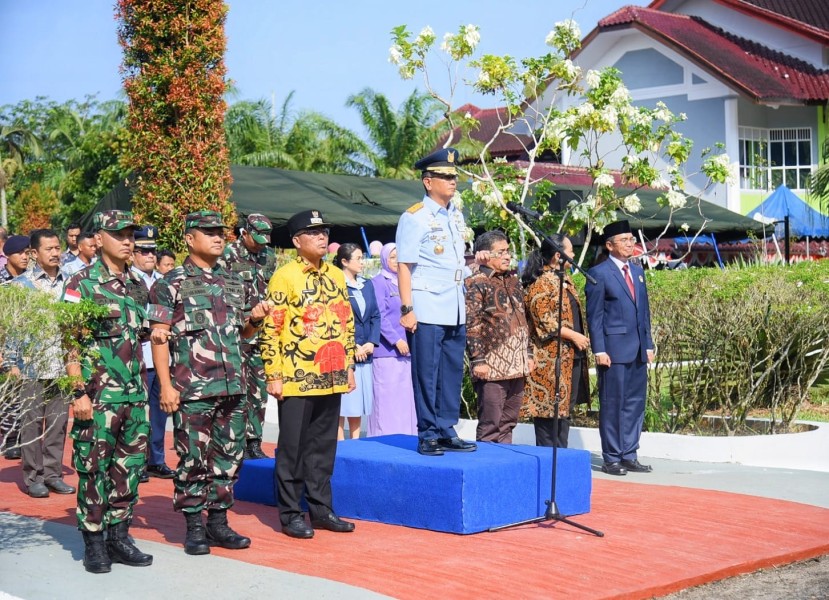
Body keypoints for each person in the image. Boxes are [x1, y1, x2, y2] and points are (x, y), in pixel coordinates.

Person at [148, 210, 269, 556]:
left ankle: (218, 521)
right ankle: (194, 527)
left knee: (229, 458)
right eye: (209, 232)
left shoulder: (234, 281)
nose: (219, 237)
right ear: (190, 238)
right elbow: (159, 339)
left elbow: (244, 332)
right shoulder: (169, 283)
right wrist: (167, 386)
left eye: (221, 232)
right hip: (193, 390)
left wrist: (256, 321)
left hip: (233, 387)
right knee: (192, 460)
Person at [63, 210, 153, 573]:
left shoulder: (138, 285)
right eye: (119, 234)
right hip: (98, 398)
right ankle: (94, 542)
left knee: (128, 470)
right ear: (99, 239)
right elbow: (68, 341)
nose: (128, 241)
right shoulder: (81, 284)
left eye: (131, 234)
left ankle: (119, 536)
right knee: (93, 470)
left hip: (134, 396)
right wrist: (77, 392)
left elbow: (142, 336)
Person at [260, 209, 356, 539]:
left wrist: (349, 366)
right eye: (313, 232)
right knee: (293, 449)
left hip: (331, 375)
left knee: (323, 448)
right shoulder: (284, 277)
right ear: (297, 241)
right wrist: (273, 374)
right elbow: (270, 329)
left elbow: (347, 322)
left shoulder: (336, 275)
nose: (321, 236)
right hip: (296, 377)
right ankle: (290, 513)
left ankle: (321, 509)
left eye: (324, 230)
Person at [395, 147, 476, 456]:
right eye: (445, 176)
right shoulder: (415, 217)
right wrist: (407, 308)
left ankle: (445, 427)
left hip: (454, 305)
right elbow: (405, 265)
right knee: (427, 374)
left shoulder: (454, 215)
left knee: (451, 371)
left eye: (454, 176)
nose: (452, 181)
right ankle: (428, 431)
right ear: (428, 182)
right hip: (426, 306)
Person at [5, 229, 75, 499]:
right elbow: (12, 328)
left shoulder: (70, 283)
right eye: (49, 249)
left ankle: (53, 474)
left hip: (61, 364)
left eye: (58, 248)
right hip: (30, 366)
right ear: (34, 253)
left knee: (58, 423)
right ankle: (33, 476)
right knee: (31, 424)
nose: (56, 253)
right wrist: (12, 363)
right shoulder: (20, 286)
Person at [585, 220, 655, 476]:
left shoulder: (637, 271)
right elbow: (595, 317)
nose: (630, 244)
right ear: (609, 245)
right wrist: (599, 350)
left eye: (631, 240)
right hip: (613, 351)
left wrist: (648, 344)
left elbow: (643, 312)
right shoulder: (599, 273)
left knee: (635, 403)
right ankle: (612, 456)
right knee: (613, 403)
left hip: (637, 349)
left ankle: (629, 454)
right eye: (624, 240)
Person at [521, 234, 590, 449]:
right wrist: (574, 335)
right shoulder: (542, 282)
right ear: (558, 256)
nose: (574, 255)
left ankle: (562, 463)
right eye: (570, 251)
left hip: (570, 357)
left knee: (563, 412)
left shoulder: (564, 280)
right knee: (548, 413)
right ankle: (549, 465)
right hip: (549, 360)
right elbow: (544, 320)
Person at [465, 231, 534, 444]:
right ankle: (486, 470)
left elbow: (525, 319)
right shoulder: (477, 281)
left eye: (507, 251)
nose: (507, 256)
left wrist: (529, 353)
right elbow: (472, 322)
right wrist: (478, 360)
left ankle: (505, 467)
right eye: (500, 252)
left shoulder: (514, 281)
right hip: (491, 366)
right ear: (486, 254)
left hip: (517, 364)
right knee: (490, 424)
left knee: (509, 422)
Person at [217, 213, 276, 459]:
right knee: (236, 389)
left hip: (261, 333)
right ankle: (234, 441)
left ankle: (254, 440)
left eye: (265, 239)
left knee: (259, 390)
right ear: (245, 232)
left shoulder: (268, 257)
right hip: (237, 332)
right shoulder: (227, 255)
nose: (261, 244)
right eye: (257, 238)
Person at [130, 225, 174, 482]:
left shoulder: (162, 280)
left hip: (161, 356)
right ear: (133, 254)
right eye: (144, 251)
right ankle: (137, 460)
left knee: (159, 413)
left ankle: (155, 459)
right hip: (138, 356)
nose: (149, 256)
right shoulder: (128, 279)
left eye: (152, 251)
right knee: (138, 413)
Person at [368, 243, 417, 436]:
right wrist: (396, 340)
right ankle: (384, 437)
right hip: (388, 352)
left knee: (405, 398)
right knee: (387, 398)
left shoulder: (407, 281)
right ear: (384, 259)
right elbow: (379, 315)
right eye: (393, 257)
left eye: (400, 257)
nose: (397, 261)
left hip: (409, 349)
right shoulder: (379, 282)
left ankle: (407, 436)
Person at [335, 243, 380, 440]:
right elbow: (337, 319)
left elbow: (375, 316)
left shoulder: (367, 284)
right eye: (358, 258)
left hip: (365, 353)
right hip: (344, 352)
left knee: (359, 401)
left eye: (363, 258)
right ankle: (339, 441)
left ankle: (355, 440)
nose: (363, 262)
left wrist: (371, 342)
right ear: (344, 261)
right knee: (343, 401)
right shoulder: (336, 285)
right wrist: (352, 346)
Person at [0, 235, 30, 459]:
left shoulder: (31, 280)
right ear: (8, 256)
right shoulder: (2, 281)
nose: (25, 256)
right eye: (20, 253)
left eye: (28, 252)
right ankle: (11, 439)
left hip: (27, 344)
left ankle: (23, 437)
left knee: (25, 393)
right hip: (5, 343)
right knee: (10, 392)